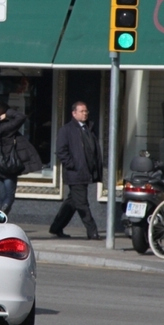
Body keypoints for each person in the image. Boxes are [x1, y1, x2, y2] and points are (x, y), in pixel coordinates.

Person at [49, 101, 103, 240]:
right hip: (75, 173)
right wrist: (73, 165)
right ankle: (92, 231)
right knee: (82, 203)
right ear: (74, 113)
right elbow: (61, 151)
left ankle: (56, 227)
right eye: (82, 111)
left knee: (72, 202)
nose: (85, 114)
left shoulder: (88, 128)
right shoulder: (66, 130)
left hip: (87, 172)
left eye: (86, 111)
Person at [0, 101, 42, 215]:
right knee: (9, 197)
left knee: (1, 196)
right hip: (8, 165)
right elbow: (21, 117)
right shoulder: (7, 127)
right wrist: (8, 114)